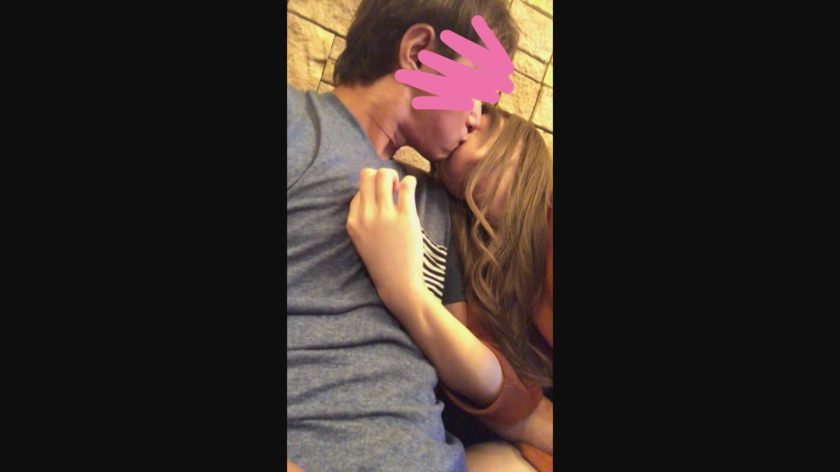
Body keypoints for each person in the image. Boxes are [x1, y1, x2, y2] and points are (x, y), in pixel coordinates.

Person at [286, 1, 519, 470]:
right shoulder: (297, 125)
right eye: (477, 91)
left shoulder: (436, 204)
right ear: (417, 52)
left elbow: (473, 372)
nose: (476, 117)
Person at [347, 103, 553, 471]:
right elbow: (499, 387)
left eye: (482, 116)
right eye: (438, 163)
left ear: (522, 142)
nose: (469, 118)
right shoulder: (473, 249)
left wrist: (405, 291)